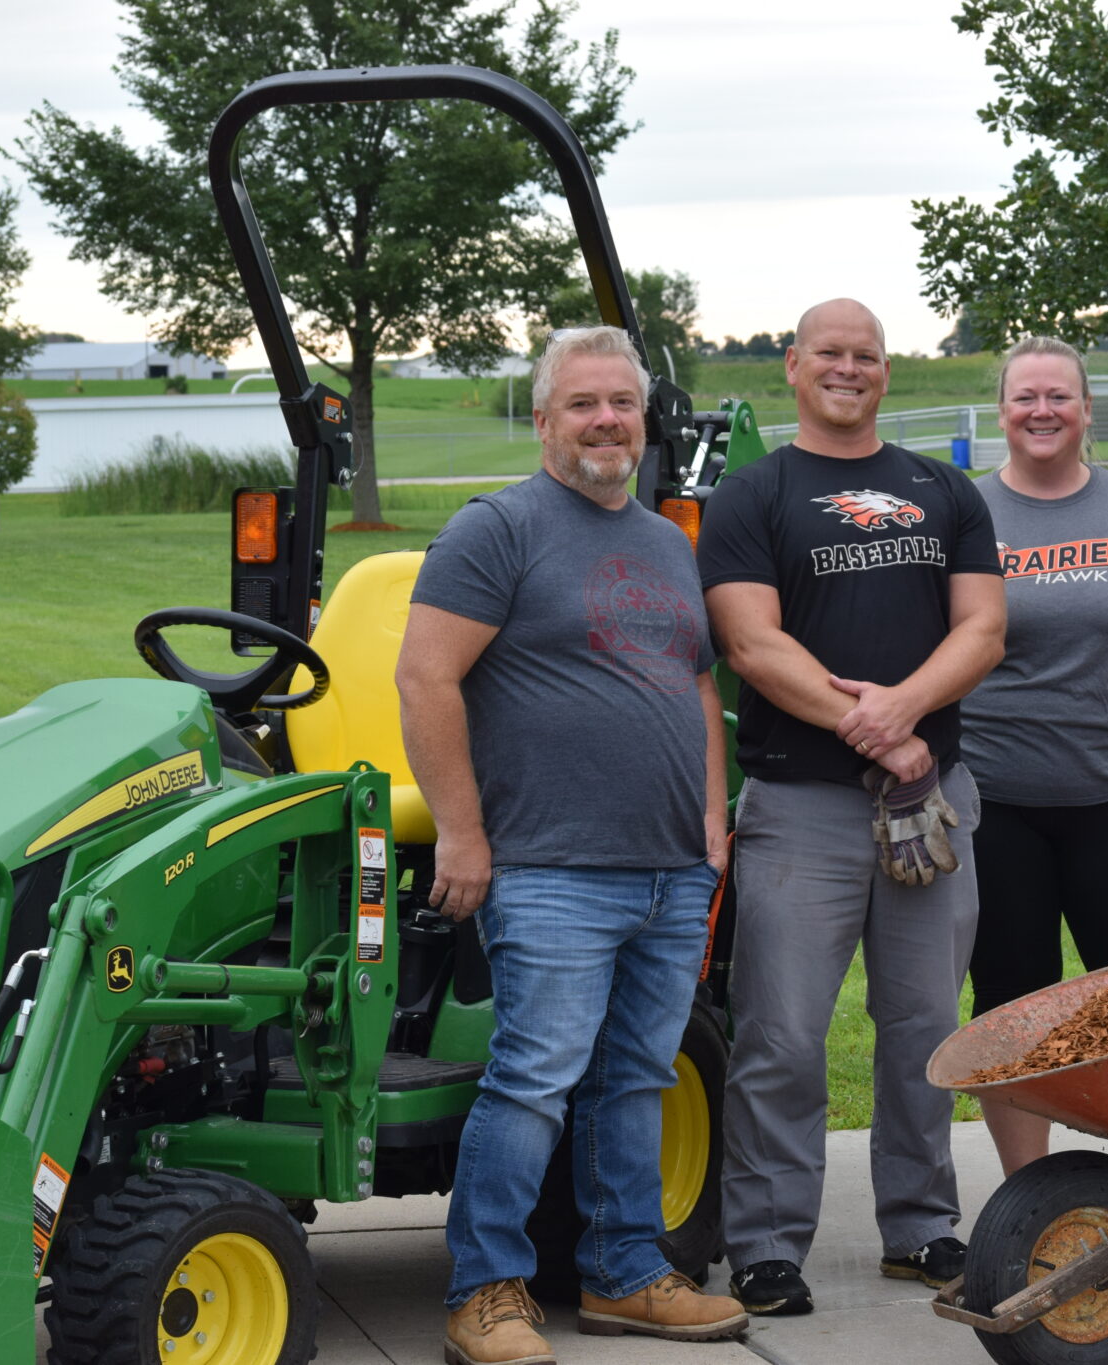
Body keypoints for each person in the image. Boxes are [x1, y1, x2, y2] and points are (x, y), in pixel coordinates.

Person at [397, 326, 746, 1365]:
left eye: (622, 405)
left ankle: (625, 1273)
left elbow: (691, 685)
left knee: (636, 1075)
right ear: (544, 419)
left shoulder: (662, 541)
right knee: (534, 1075)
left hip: (668, 870)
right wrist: (462, 832)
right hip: (549, 868)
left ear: (643, 420)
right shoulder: (496, 531)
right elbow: (425, 678)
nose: (606, 421)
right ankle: (487, 1291)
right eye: (583, 404)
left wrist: (711, 825)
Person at [697, 298, 1007, 1315]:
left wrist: (906, 712)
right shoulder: (753, 493)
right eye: (827, 353)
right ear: (791, 367)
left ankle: (919, 1227)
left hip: (930, 798)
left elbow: (982, 629)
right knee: (781, 1035)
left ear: (886, 371)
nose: (847, 368)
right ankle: (766, 1244)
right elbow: (751, 644)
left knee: (921, 1026)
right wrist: (864, 723)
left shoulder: (941, 489)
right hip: (800, 808)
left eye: (865, 355)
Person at [957, 334, 1108, 1176]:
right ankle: (1033, 1201)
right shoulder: (966, 511)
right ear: (1003, 412)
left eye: (1060, 395)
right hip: (994, 806)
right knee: (1012, 1012)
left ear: (1088, 409)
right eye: (1026, 396)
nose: (1043, 410)